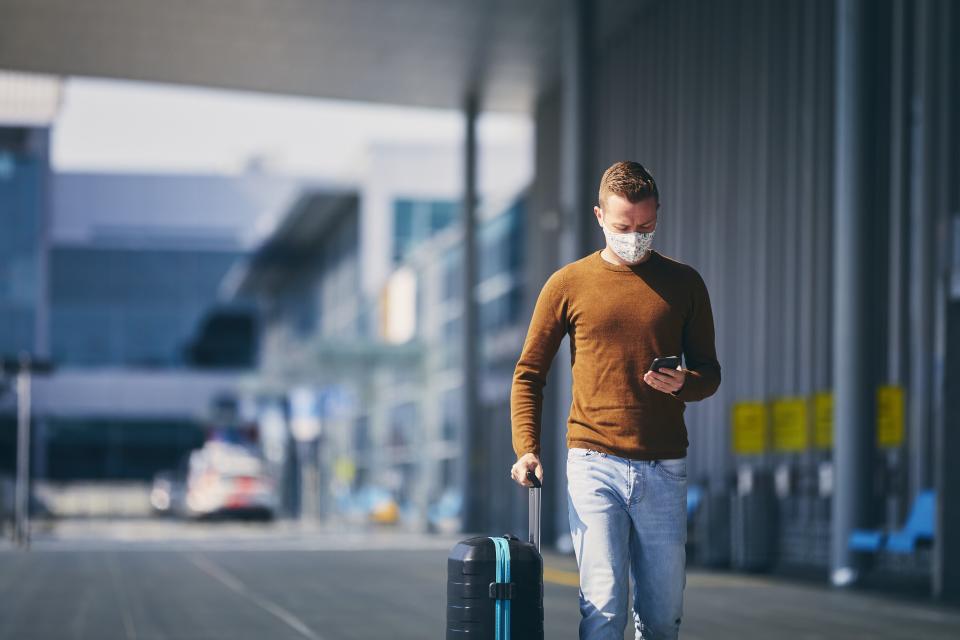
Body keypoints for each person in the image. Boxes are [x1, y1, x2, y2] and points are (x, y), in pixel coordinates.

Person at [508, 160, 721, 639]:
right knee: (603, 609)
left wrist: (684, 382)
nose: (635, 236)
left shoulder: (685, 283)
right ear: (599, 216)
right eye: (624, 226)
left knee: (663, 618)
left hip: (664, 468)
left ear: (659, 214)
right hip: (593, 462)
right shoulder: (567, 284)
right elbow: (529, 373)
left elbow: (711, 374)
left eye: (646, 226)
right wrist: (527, 447)